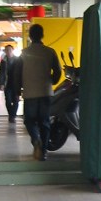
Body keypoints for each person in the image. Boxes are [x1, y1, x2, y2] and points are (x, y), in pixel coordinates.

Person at [17, 23, 62, 161]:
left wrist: (19, 89)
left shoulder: (24, 53)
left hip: (30, 93)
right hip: (45, 92)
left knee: (29, 121)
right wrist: (51, 81)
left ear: (30, 36)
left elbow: (18, 73)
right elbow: (58, 71)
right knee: (44, 122)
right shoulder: (50, 52)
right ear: (42, 35)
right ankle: (43, 152)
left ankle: (36, 140)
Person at [0, 44, 21, 123]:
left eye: (10, 50)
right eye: (7, 50)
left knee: (16, 100)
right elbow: (1, 73)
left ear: (12, 51)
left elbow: (21, 73)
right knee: (8, 100)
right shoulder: (3, 61)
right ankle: (11, 115)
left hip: (16, 83)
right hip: (7, 84)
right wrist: (1, 83)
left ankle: (13, 116)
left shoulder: (18, 60)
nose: (8, 52)